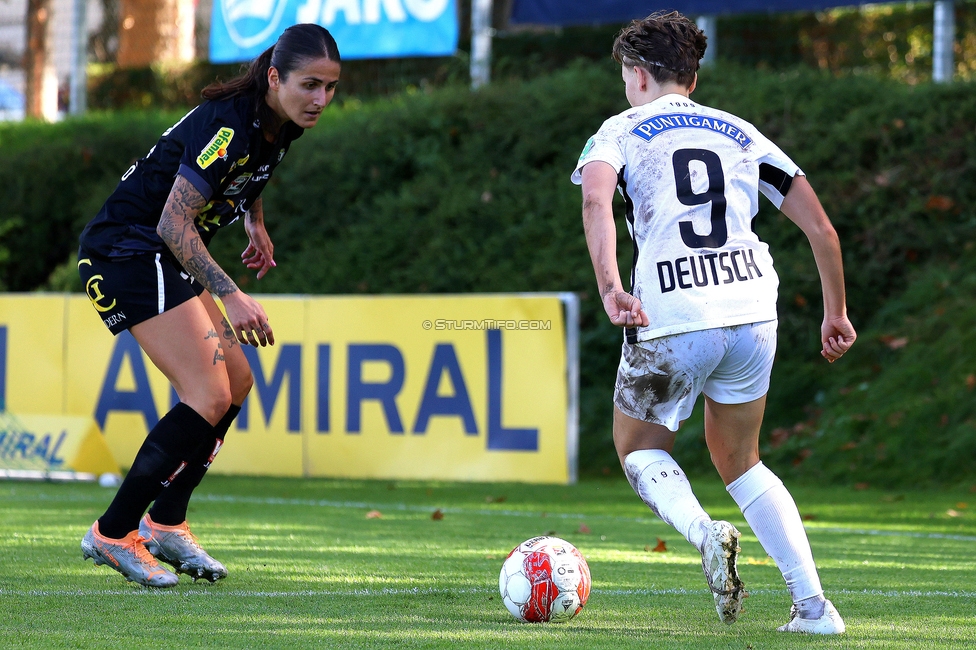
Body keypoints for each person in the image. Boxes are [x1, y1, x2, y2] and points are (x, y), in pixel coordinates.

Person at [572, 11, 856, 635]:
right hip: (752, 310)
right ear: (693, 79)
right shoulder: (742, 133)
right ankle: (814, 610)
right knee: (742, 459)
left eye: (627, 75)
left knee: (639, 448)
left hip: (673, 310)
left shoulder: (618, 130)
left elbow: (596, 198)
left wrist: (612, 287)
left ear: (640, 76)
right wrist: (835, 312)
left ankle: (704, 533)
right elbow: (821, 229)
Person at [77, 23, 341, 587]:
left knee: (236, 382)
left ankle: (167, 521)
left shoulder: (281, 122)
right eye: (310, 85)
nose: (321, 99)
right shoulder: (230, 124)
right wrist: (230, 292)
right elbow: (173, 220)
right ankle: (113, 531)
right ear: (275, 78)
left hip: (158, 251)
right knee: (208, 392)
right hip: (128, 248)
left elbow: (250, 174)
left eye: (331, 87)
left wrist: (254, 220)